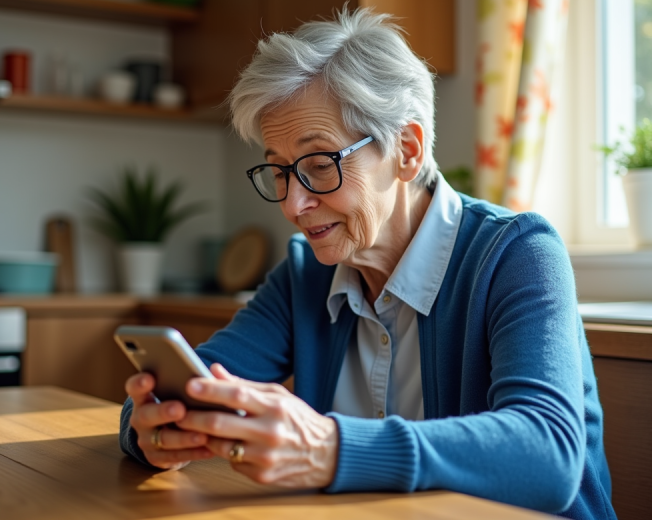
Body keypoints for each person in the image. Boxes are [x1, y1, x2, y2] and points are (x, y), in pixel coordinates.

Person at [120, 8, 616, 519]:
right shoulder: (303, 274)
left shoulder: (519, 253)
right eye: (280, 172)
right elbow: (200, 382)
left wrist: (329, 448)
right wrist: (151, 427)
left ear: (406, 149)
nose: (293, 205)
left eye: (319, 165)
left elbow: (548, 457)